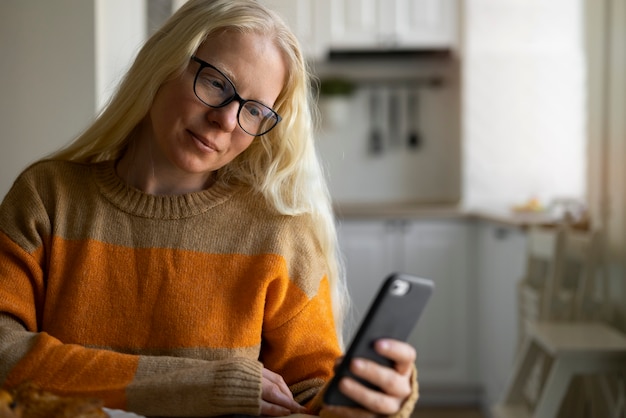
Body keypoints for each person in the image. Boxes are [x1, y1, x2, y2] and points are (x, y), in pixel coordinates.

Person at [0, 0, 418, 417]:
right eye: (217, 83)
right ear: (163, 62)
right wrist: (198, 385)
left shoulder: (280, 233)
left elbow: (309, 394)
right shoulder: (47, 197)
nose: (227, 121)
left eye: (254, 110)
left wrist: (374, 399)